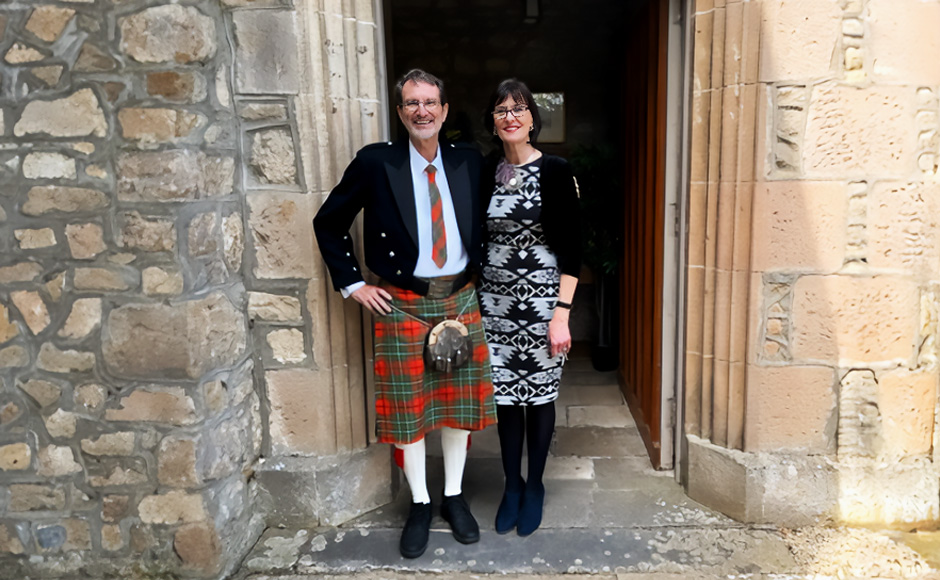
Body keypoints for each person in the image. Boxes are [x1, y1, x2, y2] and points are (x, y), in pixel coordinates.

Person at [313, 69, 497, 558]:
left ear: (444, 109)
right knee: (410, 410)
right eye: (412, 103)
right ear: (400, 112)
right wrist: (353, 285)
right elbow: (328, 222)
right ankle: (419, 502)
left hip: (459, 298)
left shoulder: (468, 160)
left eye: (430, 102)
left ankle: (454, 496)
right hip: (403, 302)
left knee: (458, 410)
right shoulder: (377, 163)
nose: (422, 111)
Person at [478, 79, 581, 536]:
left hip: (542, 304)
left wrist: (562, 313)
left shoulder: (556, 170)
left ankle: (535, 484)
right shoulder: (485, 171)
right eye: (501, 110)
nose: (510, 117)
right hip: (494, 307)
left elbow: (574, 249)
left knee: (539, 398)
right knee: (505, 398)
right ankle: (512, 485)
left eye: (518, 109)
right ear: (493, 122)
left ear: (532, 119)